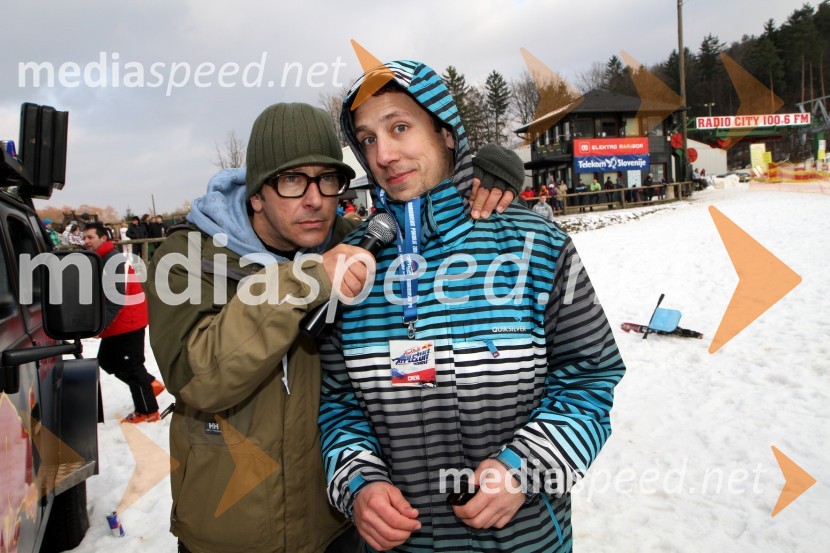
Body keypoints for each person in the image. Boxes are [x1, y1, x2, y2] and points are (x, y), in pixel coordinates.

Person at [144, 102, 518, 553]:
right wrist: (305, 282)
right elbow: (198, 380)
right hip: (229, 532)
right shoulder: (189, 258)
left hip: (336, 526)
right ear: (256, 194)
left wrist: (486, 178)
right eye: (291, 180)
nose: (315, 199)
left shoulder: (359, 244)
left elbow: (426, 211)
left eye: (328, 179)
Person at [319, 59, 625, 553]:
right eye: (368, 139)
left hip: (525, 539)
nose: (385, 154)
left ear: (445, 133)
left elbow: (590, 378)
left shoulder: (536, 245)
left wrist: (526, 468)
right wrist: (360, 483)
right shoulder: (354, 271)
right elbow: (338, 404)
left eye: (399, 127)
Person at [82, 222, 164, 424]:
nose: (86, 242)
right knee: (107, 360)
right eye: (84, 238)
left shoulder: (112, 260)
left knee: (130, 365)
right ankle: (150, 384)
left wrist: (101, 325)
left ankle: (148, 411)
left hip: (129, 320)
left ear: (103, 238)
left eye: (90, 237)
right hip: (119, 321)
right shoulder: (100, 259)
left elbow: (115, 298)